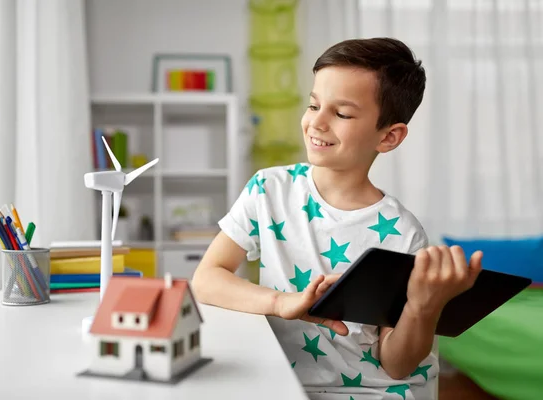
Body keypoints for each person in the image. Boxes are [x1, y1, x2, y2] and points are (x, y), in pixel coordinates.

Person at [191, 37, 483, 400]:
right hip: (283, 386)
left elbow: (397, 365)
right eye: (313, 105)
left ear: (389, 136)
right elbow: (206, 279)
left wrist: (425, 307)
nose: (318, 122)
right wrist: (282, 303)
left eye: (341, 114)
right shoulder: (268, 189)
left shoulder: (404, 234)